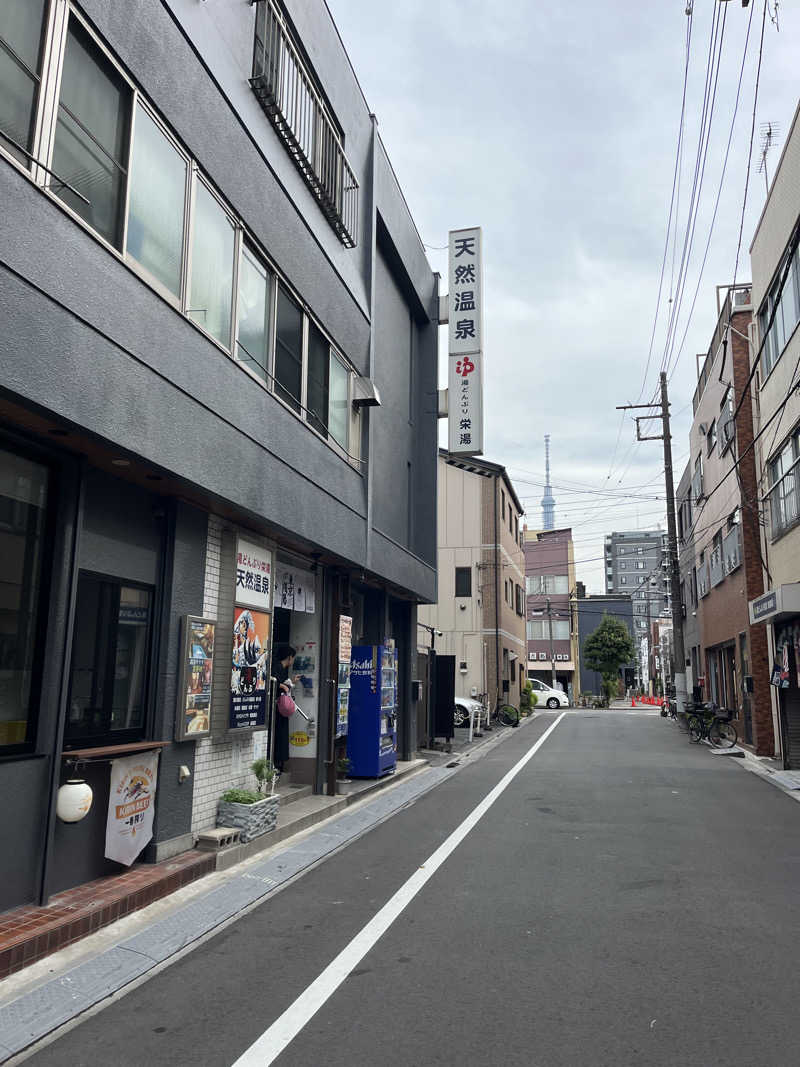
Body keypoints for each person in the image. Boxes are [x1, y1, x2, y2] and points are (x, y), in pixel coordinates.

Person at [271, 644, 297, 773]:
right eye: (293, 658)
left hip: (281, 710)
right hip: (276, 710)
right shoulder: (276, 668)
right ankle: (276, 763)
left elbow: (283, 685)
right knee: (278, 736)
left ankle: (279, 763)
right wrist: (282, 685)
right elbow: (273, 683)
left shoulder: (281, 668)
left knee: (281, 736)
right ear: (289, 657)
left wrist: (291, 683)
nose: (293, 661)